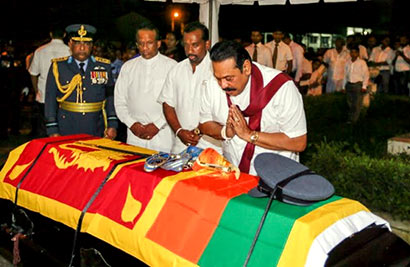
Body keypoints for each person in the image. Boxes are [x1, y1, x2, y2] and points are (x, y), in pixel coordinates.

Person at [198, 40, 307, 175]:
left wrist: (249, 135)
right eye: (218, 78)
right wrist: (226, 132)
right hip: (234, 173)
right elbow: (204, 124)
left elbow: (298, 142)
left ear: (246, 68)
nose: (223, 85)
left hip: (276, 175)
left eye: (229, 78)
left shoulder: (282, 88)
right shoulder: (211, 85)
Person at [158, 21, 222, 153]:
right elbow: (167, 104)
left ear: (207, 44)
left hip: (211, 146)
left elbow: (223, 109)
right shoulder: (176, 70)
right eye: (186, 45)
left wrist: (199, 131)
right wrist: (179, 131)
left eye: (195, 45)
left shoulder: (218, 70)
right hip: (180, 144)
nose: (190, 50)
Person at [44, 24, 118, 138]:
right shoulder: (58, 67)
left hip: (96, 127)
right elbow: (50, 100)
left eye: (87, 44)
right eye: (78, 43)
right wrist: (52, 128)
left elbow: (110, 97)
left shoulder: (104, 66)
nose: (82, 48)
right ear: (70, 44)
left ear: (92, 45)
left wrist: (112, 124)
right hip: (67, 127)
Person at [114, 22, 177, 152]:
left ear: (158, 43)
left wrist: (157, 125)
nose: (144, 47)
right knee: (134, 170)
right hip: (134, 134)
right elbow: (119, 101)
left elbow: (176, 102)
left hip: (163, 133)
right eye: (141, 43)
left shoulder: (172, 67)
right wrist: (132, 124)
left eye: (149, 43)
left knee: (162, 171)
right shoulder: (128, 67)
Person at [29, 26, 71, 137]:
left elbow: (33, 74)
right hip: (63, 97)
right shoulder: (69, 51)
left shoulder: (40, 51)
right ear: (64, 35)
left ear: (51, 34)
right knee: (61, 130)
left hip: (44, 96)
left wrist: (37, 90)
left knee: (44, 129)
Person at [343, 45, 369, 124]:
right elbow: (345, 75)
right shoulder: (347, 62)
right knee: (350, 103)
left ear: (358, 53)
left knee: (357, 103)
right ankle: (350, 118)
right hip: (349, 84)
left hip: (358, 84)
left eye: (355, 52)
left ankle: (354, 120)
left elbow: (366, 75)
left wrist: (364, 86)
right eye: (351, 52)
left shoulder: (362, 62)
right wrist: (343, 86)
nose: (353, 54)